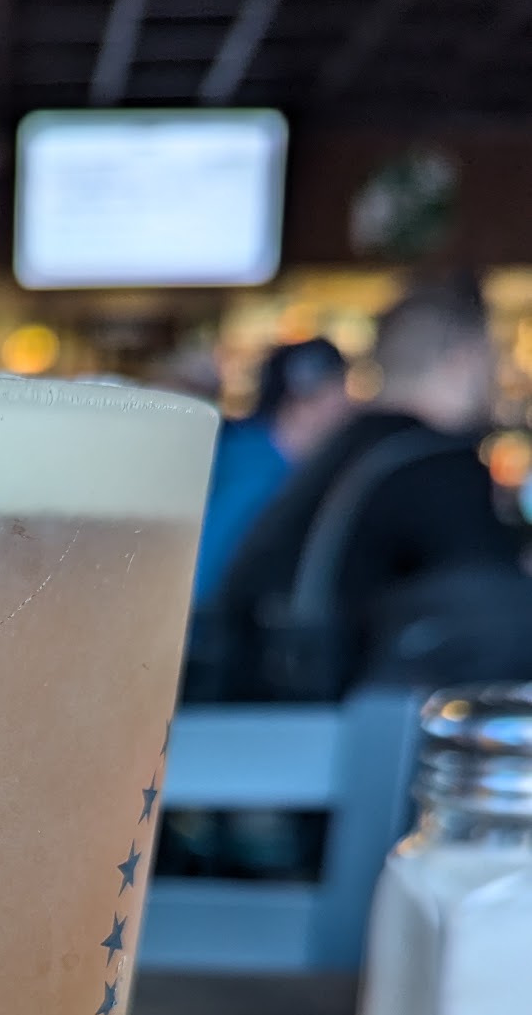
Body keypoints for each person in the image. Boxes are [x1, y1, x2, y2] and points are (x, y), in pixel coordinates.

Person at [209, 276, 529, 700]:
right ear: (463, 358)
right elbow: (493, 607)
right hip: (341, 716)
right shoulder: (436, 462)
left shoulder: (343, 448)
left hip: (263, 701)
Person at [192, 337, 348, 607]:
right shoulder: (254, 468)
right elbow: (203, 577)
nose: (347, 404)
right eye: (337, 392)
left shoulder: (274, 459)